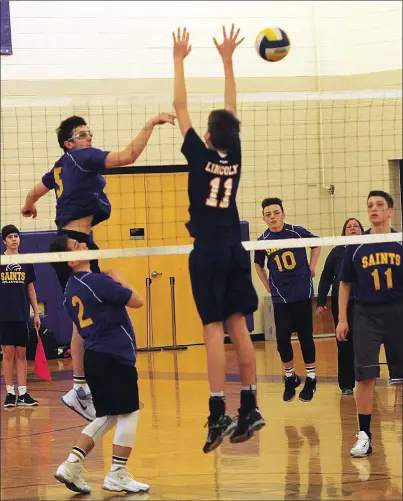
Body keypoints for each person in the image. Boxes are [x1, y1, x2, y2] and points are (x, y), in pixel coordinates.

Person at [21, 112, 175, 421]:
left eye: (89, 133)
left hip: (72, 240)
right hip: (75, 243)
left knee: (84, 311)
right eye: (82, 134)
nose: (89, 137)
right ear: (69, 143)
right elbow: (128, 156)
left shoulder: (60, 166)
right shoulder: (82, 157)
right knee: (85, 312)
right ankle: (79, 388)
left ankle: (80, 386)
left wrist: (29, 204)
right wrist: (151, 123)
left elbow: (36, 191)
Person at [173, 24, 265, 453]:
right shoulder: (237, 153)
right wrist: (229, 61)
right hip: (234, 248)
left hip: (208, 252)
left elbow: (179, 105)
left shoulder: (198, 154)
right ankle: (250, 405)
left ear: (208, 136)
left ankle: (217, 413)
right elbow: (232, 106)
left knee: (212, 330)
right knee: (239, 327)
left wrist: (179, 59)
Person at [49, 234, 149, 494]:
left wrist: (79, 378)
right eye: (76, 246)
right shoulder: (97, 282)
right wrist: (118, 279)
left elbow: (77, 337)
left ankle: (71, 464)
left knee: (107, 416)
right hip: (114, 357)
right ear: (70, 260)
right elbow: (138, 300)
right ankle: (117, 473)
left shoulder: (69, 291)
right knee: (129, 413)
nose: (84, 245)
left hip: (96, 359)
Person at [336, 190, 403, 458]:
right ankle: (364, 435)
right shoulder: (357, 244)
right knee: (365, 376)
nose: (373, 209)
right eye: (370, 206)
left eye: (379, 205)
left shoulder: (399, 241)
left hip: (398, 312)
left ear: (390, 212)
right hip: (365, 314)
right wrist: (342, 317)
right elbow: (345, 283)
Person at [254, 197, 321, 403]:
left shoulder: (296, 231)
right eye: (268, 214)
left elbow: (316, 244)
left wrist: (312, 266)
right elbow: (258, 264)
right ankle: (290, 377)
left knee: (305, 336)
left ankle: (311, 378)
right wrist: (266, 285)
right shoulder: (262, 240)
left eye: (276, 212)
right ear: (264, 218)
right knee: (282, 339)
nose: (272, 217)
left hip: (301, 291)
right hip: (280, 295)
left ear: (283, 214)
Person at [316, 218, 364, 395]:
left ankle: (367, 379)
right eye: (348, 226)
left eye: (355, 226)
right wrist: (321, 301)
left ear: (361, 230)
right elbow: (326, 277)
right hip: (340, 302)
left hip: (363, 302)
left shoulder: (366, 248)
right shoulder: (337, 251)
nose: (352, 228)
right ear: (344, 231)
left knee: (365, 342)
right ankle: (346, 384)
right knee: (343, 341)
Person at [0, 224, 40, 407]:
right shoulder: (1, 261)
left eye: (16, 236)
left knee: (21, 354)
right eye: (10, 237)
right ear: (4, 241)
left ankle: (23, 393)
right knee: (7, 354)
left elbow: (31, 289)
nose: (14, 239)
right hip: (4, 316)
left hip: (22, 314)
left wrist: (36, 314)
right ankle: (10, 393)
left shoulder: (26, 261)